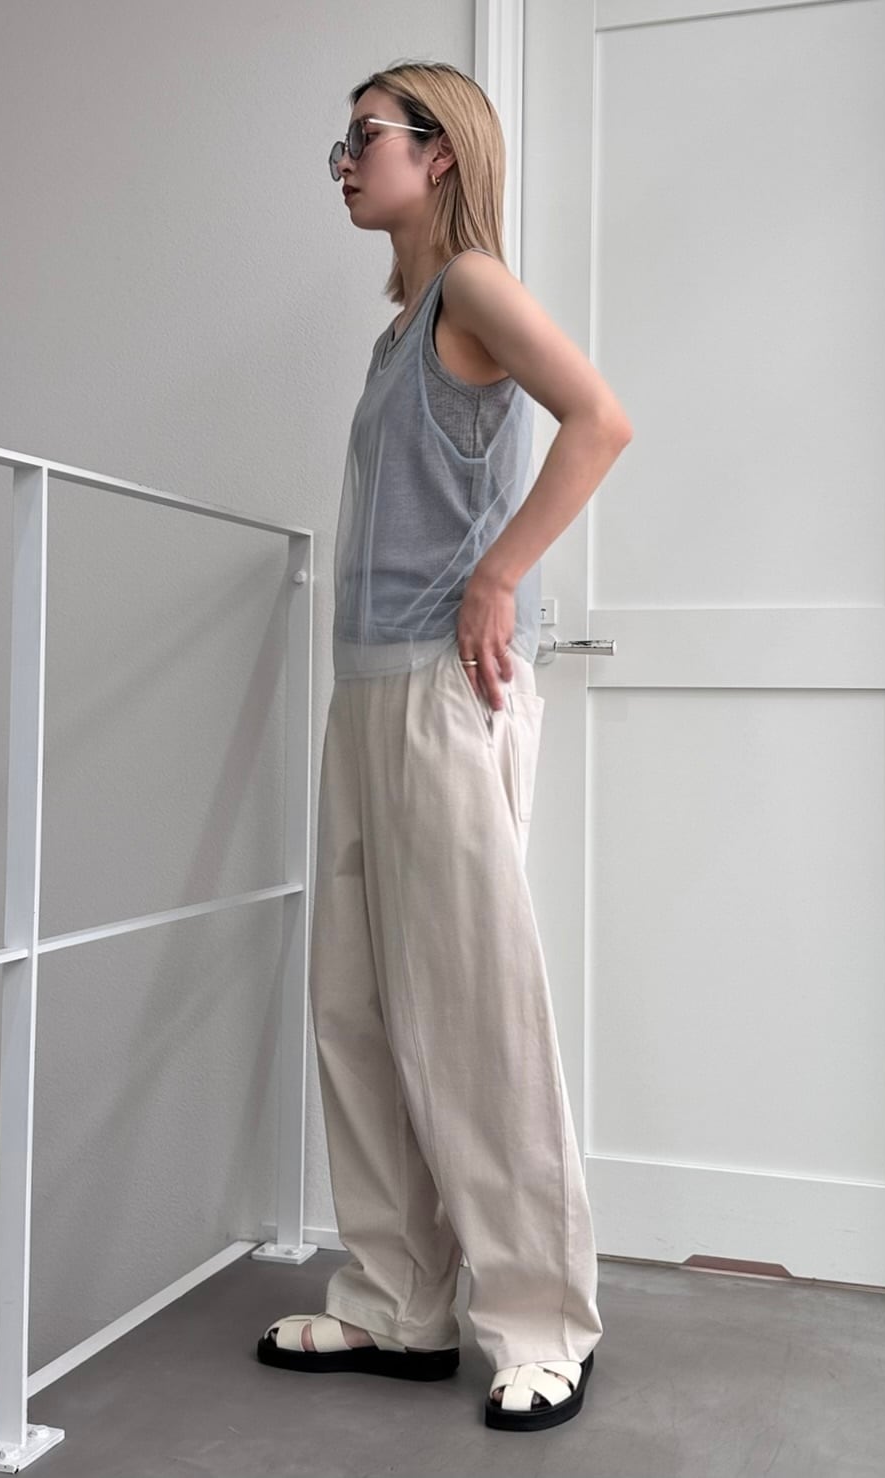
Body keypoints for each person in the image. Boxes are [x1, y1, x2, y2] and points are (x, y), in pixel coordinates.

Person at [255, 59, 633, 1433]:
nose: (344, 161)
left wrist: (500, 576)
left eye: (365, 136)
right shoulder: (399, 328)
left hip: (438, 692)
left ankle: (542, 1321)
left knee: (472, 1017)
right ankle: (397, 1302)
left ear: (442, 154)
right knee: (356, 1008)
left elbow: (599, 419)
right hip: (367, 692)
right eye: (343, 140)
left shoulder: (470, 288)